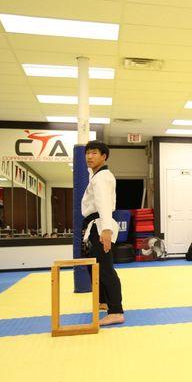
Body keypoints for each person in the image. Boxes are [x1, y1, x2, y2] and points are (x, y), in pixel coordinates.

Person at [82, 140, 124, 326]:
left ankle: (116, 311)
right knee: (96, 266)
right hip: (96, 224)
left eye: (94, 153)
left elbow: (103, 203)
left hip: (101, 224)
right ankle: (105, 302)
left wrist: (105, 229)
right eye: (87, 153)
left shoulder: (102, 177)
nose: (89, 156)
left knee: (105, 269)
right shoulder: (96, 176)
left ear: (103, 156)